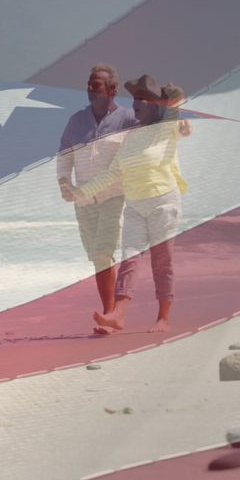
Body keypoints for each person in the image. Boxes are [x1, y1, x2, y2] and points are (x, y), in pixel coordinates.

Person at [64, 75, 190, 334]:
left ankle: (163, 318)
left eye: (143, 99)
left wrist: (169, 103)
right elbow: (112, 174)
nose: (137, 104)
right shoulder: (130, 138)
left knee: (161, 262)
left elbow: (180, 106)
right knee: (129, 259)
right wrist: (80, 193)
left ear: (156, 104)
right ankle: (119, 314)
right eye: (135, 99)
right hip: (135, 205)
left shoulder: (166, 128)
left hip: (163, 202)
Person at [56, 64, 139, 320]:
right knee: (97, 257)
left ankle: (111, 313)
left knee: (104, 252)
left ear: (113, 89)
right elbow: (64, 155)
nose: (91, 89)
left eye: (97, 85)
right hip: (82, 200)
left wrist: (179, 128)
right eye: (89, 84)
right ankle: (111, 311)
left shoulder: (127, 118)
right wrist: (63, 183)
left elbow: (153, 131)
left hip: (115, 196)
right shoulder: (77, 120)